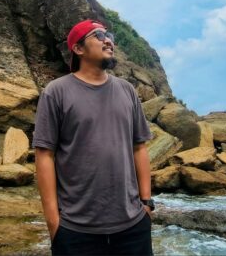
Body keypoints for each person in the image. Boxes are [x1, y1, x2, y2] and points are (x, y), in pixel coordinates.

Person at [32, 18, 156, 256]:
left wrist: (146, 203)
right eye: (98, 36)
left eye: (109, 36)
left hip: (133, 226)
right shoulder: (56, 92)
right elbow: (44, 155)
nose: (108, 40)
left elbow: (139, 147)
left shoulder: (127, 90)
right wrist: (54, 223)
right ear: (78, 49)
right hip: (76, 230)